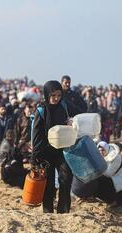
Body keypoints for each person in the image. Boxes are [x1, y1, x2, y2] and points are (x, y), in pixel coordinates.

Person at [31, 80, 73, 213]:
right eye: (53, 95)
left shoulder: (64, 107)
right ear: (47, 94)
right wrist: (35, 157)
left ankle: (64, 210)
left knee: (65, 179)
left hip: (62, 151)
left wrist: (71, 123)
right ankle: (48, 211)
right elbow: (36, 135)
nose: (56, 98)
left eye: (59, 95)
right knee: (48, 184)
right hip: (46, 152)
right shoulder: (41, 111)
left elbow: (80, 112)